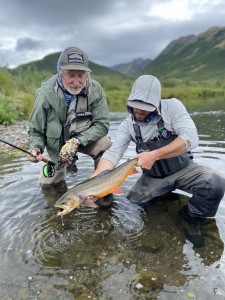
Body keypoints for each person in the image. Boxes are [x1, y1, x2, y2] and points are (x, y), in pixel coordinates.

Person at [91, 74, 225, 247]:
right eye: (135, 106)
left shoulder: (172, 107)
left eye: (145, 108)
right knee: (133, 205)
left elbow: (191, 138)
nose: (139, 111)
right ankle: (166, 201)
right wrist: (91, 184)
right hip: (152, 178)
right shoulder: (127, 125)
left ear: (157, 103)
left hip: (184, 169)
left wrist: (154, 155)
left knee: (215, 183)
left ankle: (191, 218)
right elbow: (112, 155)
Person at [28, 46, 112, 187]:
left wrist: (77, 141)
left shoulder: (95, 90)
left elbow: (102, 124)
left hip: (84, 140)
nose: (76, 81)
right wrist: (36, 148)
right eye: (71, 75)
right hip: (56, 149)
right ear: (61, 73)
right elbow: (36, 130)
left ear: (86, 74)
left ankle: (103, 188)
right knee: (48, 186)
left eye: (80, 75)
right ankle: (67, 166)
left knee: (106, 145)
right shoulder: (44, 94)